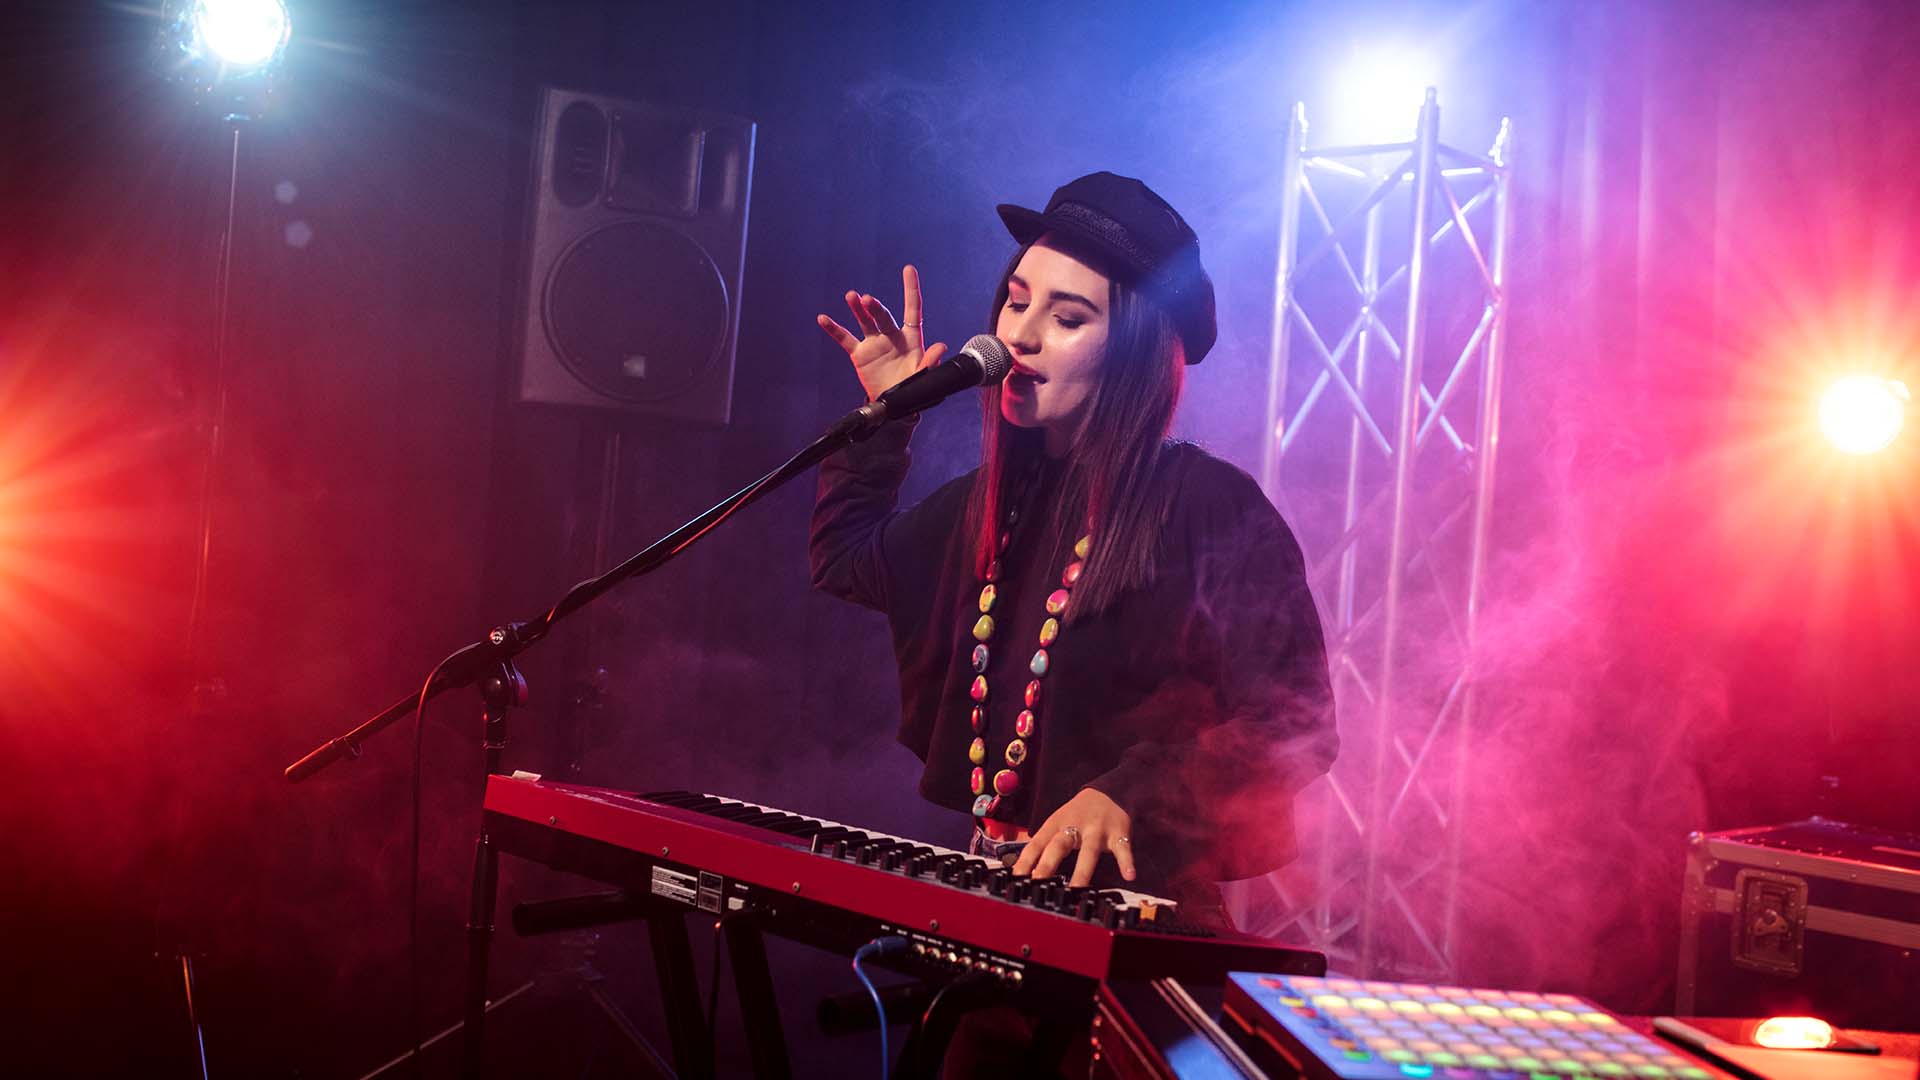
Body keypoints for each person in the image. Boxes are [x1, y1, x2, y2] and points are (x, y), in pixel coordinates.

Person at [809, 171, 1337, 935]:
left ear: (1134, 350)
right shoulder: (995, 501)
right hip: (996, 909)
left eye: (1067, 317)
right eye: (1017, 301)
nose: (1017, 335)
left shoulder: (1208, 506)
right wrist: (887, 418)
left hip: (1142, 933)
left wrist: (1132, 794)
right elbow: (845, 559)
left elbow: (1298, 723)